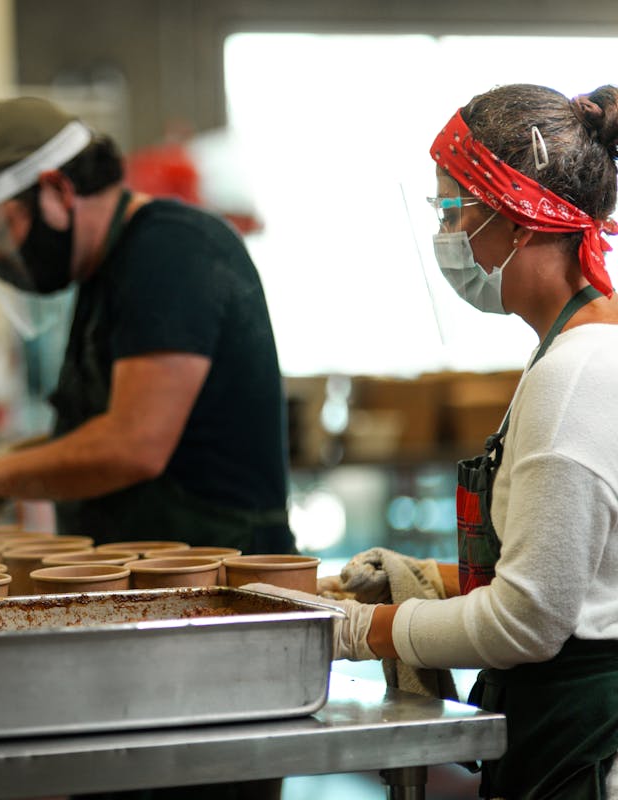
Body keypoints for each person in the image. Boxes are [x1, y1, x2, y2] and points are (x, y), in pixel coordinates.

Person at [252, 83, 618, 800]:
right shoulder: (578, 351)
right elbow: (580, 586)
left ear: (518, 221)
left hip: (581, 737)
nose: (446, 236)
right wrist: (423, 578)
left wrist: (360, 631)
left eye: (454, 210)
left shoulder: (576, 375)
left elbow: (529, 623)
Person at [0, 97, 295, 555]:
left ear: (57, 191)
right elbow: (101, 426)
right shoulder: (106, 273)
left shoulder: (172, 251)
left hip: (226, 585)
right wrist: (13, 470)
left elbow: (133, 445)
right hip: (162, 582)